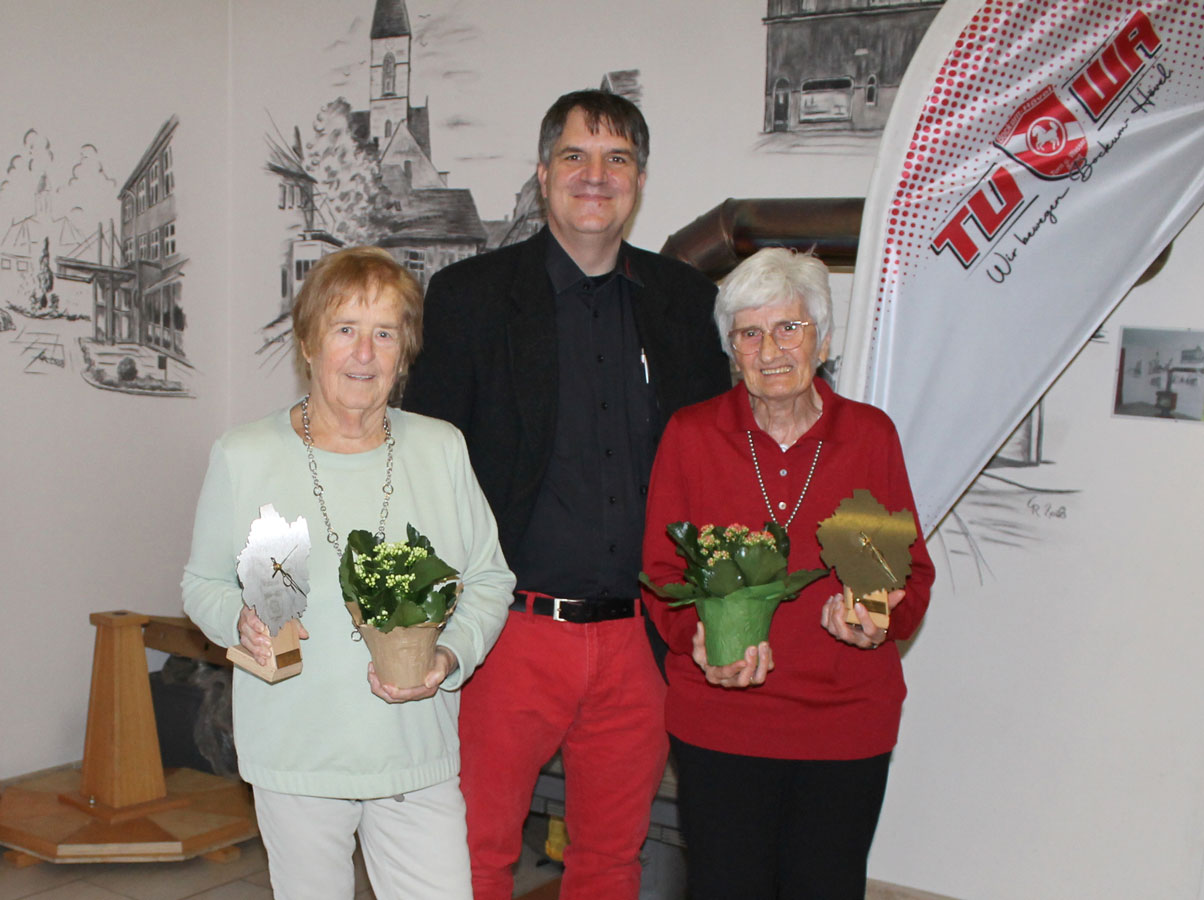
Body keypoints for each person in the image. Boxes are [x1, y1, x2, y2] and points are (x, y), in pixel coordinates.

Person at [401, 89, 731, 899]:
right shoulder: (471, 297)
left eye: (617, 159)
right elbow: (421, 468)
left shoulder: (687, 305)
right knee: (474, 856)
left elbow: (712, 467)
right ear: (544, 173)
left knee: (611, 861)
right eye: (575, 156)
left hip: (638, 642)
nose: (595, 175)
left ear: (639, 180)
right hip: (507, 632)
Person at [182, 246, 514, 900]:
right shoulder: (245, 454)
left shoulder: (440, 449)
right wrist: (239, 620)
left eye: (385, 333)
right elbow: (203, 584)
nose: (365, 353)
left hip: (413, 751)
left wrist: (449, 656)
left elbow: (489, 579)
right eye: (345, 329)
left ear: (404, 352)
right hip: (296, 753)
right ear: (308, 343)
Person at [641, 247, 936, 900]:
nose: (770, 350)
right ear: (731, 350)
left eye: (788, 328)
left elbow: (905, 580)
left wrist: (875, 618)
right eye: (749, 333)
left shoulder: (868, 437)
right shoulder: (692, 435)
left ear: (822, 341)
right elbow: (661, 574)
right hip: (722, 723)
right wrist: (696, 637)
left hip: (844, 727)